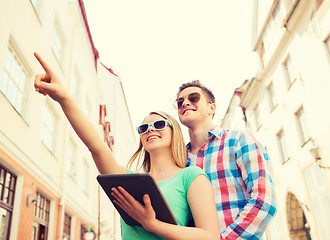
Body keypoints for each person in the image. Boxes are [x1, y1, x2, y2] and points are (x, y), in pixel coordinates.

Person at [33, 53, 220, 240]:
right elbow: (96, 146)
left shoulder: (192, 176)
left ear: (175, 133)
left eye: (159, 125)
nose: (150, 130)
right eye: (144, 127)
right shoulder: (129, 182)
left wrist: (153, 224)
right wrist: (64, 97)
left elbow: (210, 236)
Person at [174, 80, 277, 239]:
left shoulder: (238, 140)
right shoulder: (179, 161)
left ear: (211, 107)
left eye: (193, 98)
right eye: (180, 102)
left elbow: (264, 200)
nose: (185, 103)